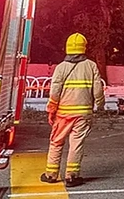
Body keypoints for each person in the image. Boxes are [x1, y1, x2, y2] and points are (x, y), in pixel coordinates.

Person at [41, 33, 105, 187]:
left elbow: (54, 92)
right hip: (83, 114)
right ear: (84, 48)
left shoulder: (61, 68)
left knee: (56, 142)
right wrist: (100, 105)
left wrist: (51, 110)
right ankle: (71, 176)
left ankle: (51, 174)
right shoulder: (91, 66)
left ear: (68, 48)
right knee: (76, 144)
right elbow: (98, 89)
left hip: (63, 113)